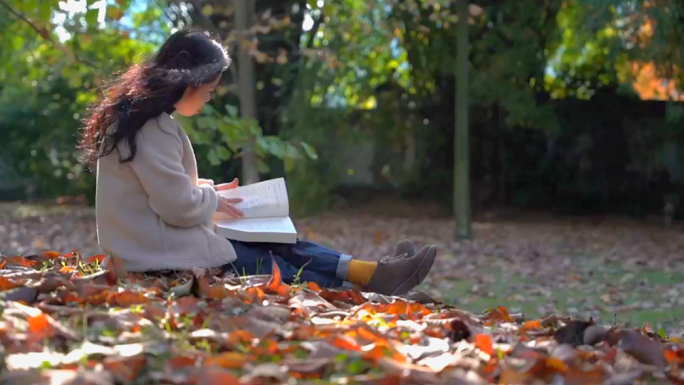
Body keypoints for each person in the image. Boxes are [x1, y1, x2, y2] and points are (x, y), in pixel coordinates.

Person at [79, 29, 438, 296]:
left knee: (281, 240)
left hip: (161, 244)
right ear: (188, 83)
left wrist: (210, 192)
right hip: (158, 258)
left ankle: (373, 274)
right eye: (208, 91)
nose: (208, 100)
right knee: (273, 265)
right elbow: (175, 207)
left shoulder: (144, 121)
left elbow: (156, 191)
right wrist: (215, 200)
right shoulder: (150, 129)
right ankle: (369, 291)